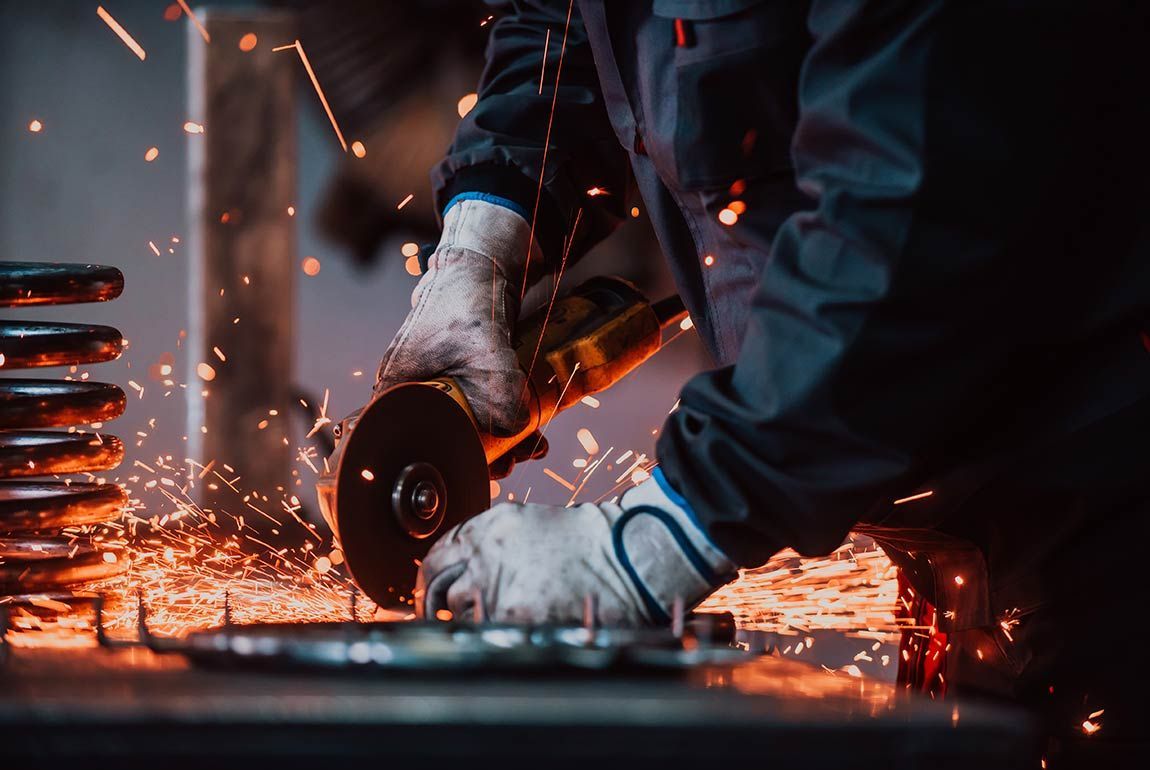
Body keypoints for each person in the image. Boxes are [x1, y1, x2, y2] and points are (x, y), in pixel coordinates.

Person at [372, 1, 1150, 763]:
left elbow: (910, 204)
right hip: (938, 502)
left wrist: (663, 532)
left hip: (1099, 497)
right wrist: (484, 233)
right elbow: (572, 25)